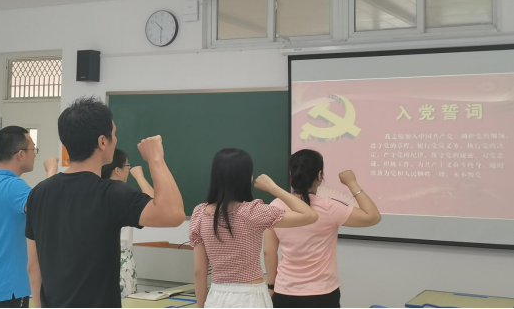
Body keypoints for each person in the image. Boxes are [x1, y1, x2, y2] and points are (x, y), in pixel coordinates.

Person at [26, 97, 185, 308]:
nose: (116, 140)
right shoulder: (110, 193)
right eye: (114, 134)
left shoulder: (38, 193)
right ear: (102, 141)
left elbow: (33, 266)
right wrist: (156, 158)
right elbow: (173, 214)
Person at [190, 148, 319, 309]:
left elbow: (199, 272)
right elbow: (310, 215)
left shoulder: (200, 213)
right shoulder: (253, 211)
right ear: (247, 178)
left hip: (216, 297)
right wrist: (273, 188)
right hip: (250, 297)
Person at [264, 150, 382, 309]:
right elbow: (373, 216)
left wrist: (272, 286)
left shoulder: (274, 206)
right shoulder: (329, 207)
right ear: (320, 176)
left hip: (284, 291)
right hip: (322, 293)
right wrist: (352, 183)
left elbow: (269, 252)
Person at [0, 126, 58, 309]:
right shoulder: (14, 187)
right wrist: (52, 171)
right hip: (7, 290)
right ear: (20, 154)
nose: (35, 154)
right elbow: (46, 206)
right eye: (33, 149)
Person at [101, 149, 155, 298]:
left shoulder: (94, 190)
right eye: (127, 166)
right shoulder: (121, 193)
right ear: (117, 170)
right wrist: (139, 176)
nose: (128, 170)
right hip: (120, 261)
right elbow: (154, 205)